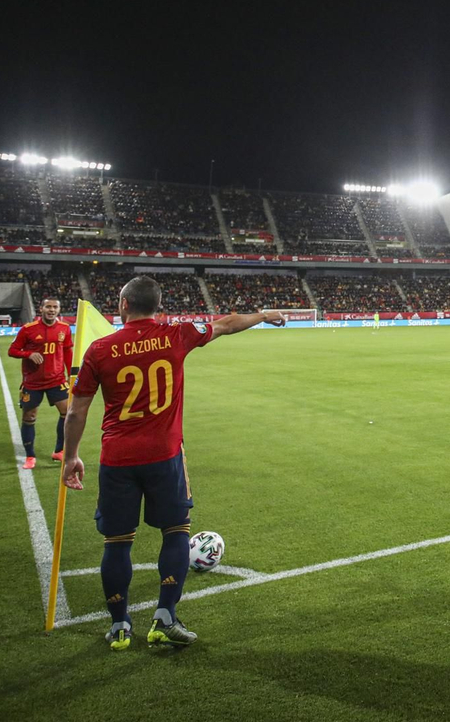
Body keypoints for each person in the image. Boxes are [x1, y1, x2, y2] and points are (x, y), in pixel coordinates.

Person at [62, 275, 284, 651]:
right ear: (158, 306)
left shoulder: (99, 350)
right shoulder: (176, 334)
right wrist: (264, 314)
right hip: (165, 454)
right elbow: (227, 324)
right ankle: (165, 618)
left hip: (117, 458)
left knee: (117, 543)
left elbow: (75, 413)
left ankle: (119, 627)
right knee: (176, 531)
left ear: (123, 304)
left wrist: (70, 457)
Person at [6, 297, 74, 469]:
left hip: (57, 379)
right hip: (33, 382)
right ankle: (30, 456)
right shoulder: (28, 329)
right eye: (48, 307)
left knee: (67, 414)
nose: (51, 310)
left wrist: (71, 374)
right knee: (29, 417)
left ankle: (59, 451)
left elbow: (67, 351)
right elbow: (12, 350)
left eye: (55, 307)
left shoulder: (64, 328)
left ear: (59, 310)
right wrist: (27, 354)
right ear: (41, 309)